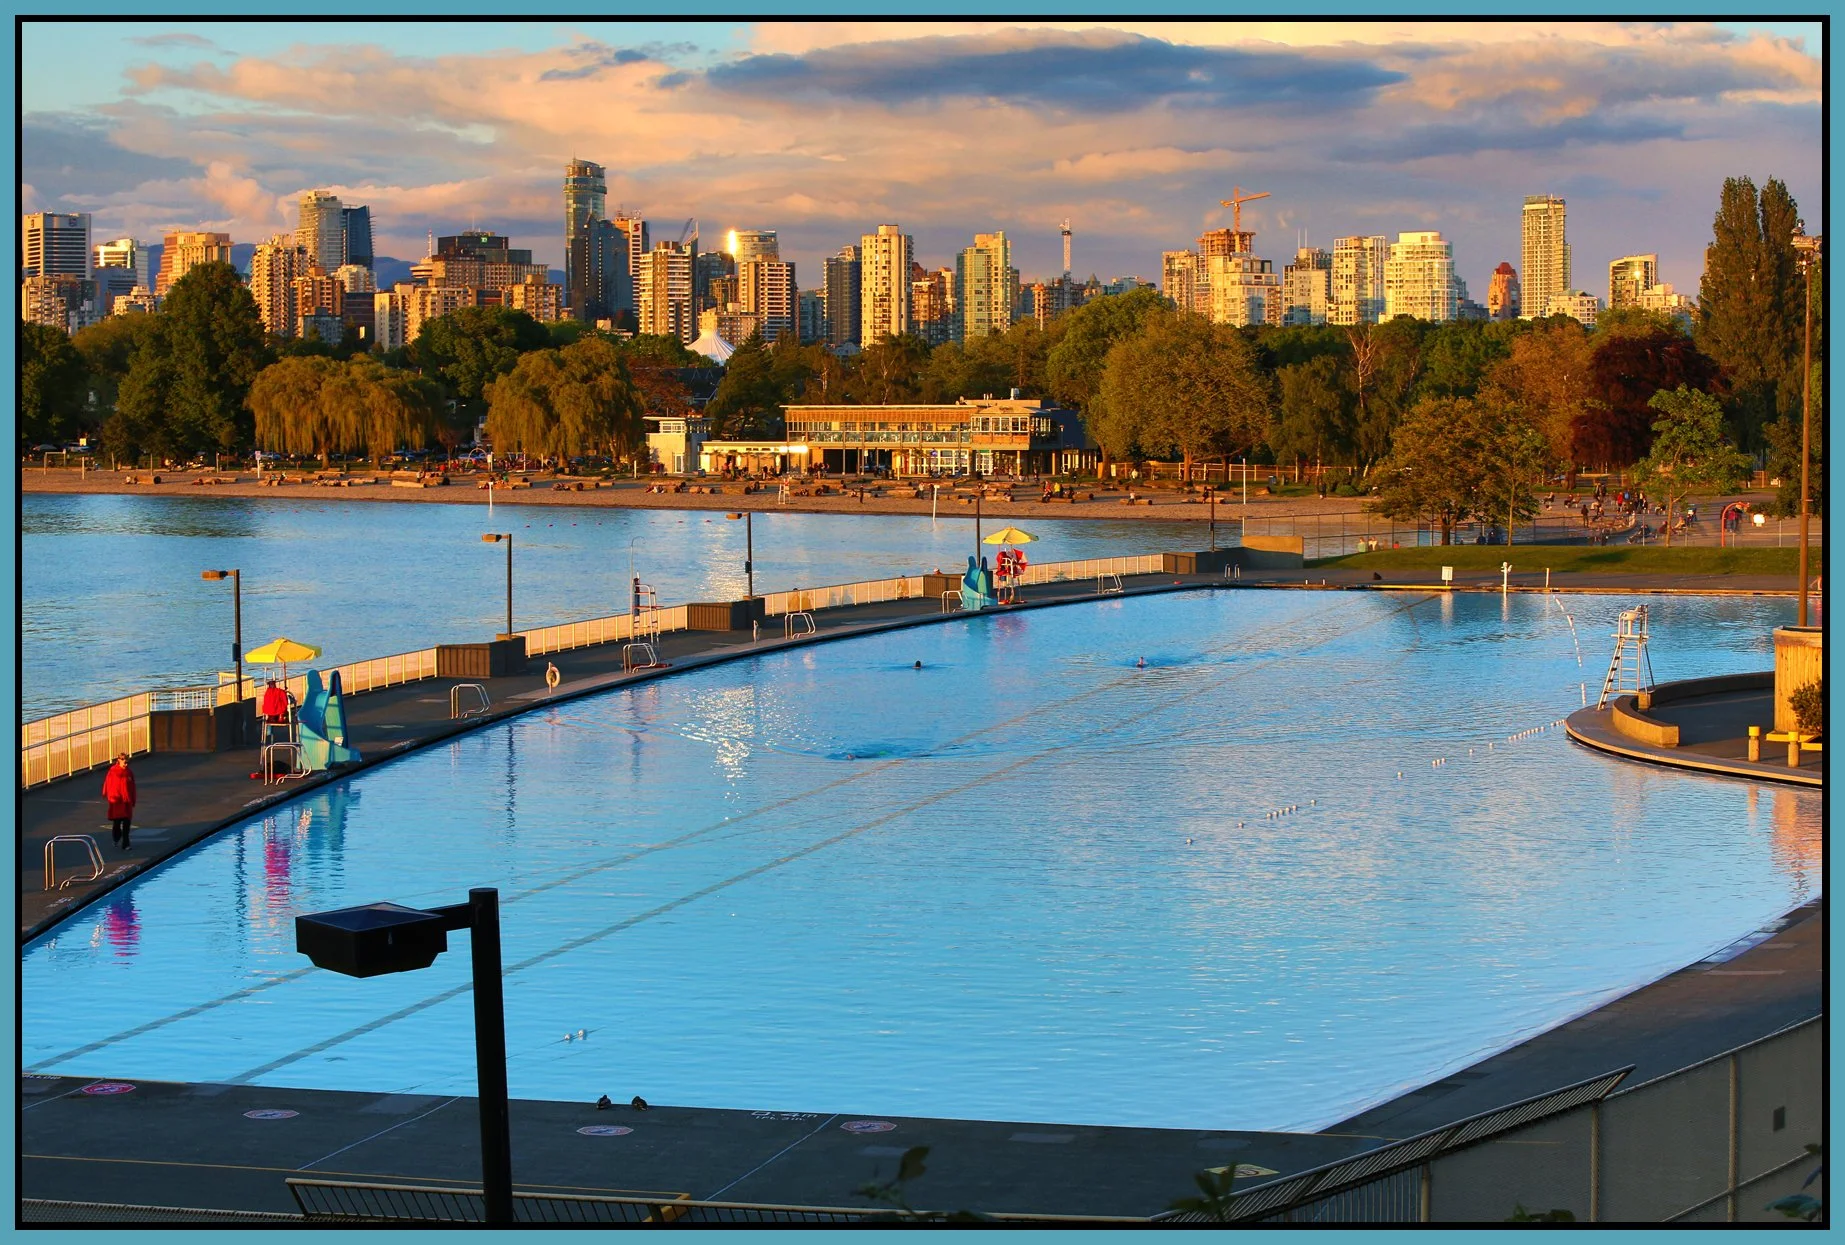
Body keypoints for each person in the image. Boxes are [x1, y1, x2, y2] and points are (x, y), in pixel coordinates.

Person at [102, 753, 137, 851]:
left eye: (127, 763)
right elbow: (108, 784)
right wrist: (110, 796)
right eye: (124, 762)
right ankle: (116, 838)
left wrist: (133, 799)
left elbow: (132, 787)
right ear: (119, 760)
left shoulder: (129, 772)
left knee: (126, 824)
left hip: (126, 802)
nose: (126, 764)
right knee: (116, 824)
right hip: (116, 801)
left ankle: (126, 844)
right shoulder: (113, 772)